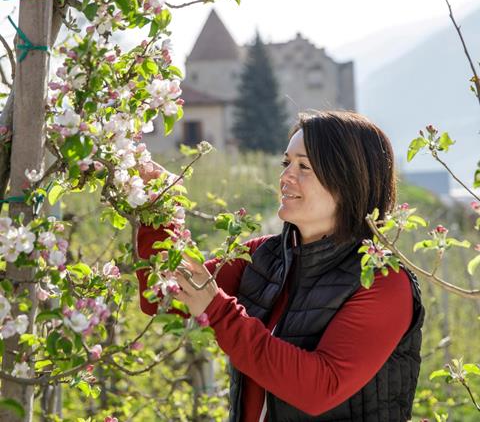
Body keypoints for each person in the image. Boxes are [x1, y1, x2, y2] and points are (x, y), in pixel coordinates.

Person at [136, 110, 424, 422]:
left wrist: (217, 309)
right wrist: (159, 205)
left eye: (305, 167)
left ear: (348, 179)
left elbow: (320, 389)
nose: (286, 176)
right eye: (286, 163)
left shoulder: (383, 281)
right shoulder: (261, 256)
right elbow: (162, 297)